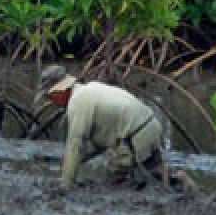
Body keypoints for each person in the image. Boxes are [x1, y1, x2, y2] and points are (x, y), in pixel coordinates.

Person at [37, 65, 175, 191]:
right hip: (151, 125)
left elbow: (75, 145)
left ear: (59, 91)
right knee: (154, 170)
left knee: (112, 182)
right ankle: (177, 181)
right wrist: (68, 162)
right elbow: (96, 146)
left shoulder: (77, 102)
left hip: (135, 135)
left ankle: (138, 187)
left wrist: (66, 183)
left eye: (50, 96)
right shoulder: (90, 88)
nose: (52, 101)